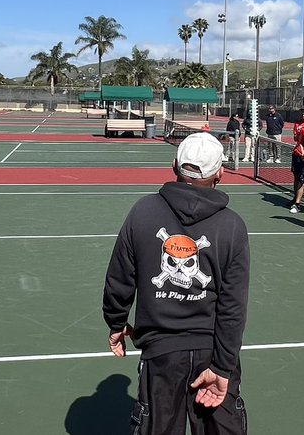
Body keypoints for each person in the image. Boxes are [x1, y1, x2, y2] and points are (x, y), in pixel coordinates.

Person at [102, 132, 250, 433]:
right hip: (214, 353)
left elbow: (119, 279)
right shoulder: (232, 225)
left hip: (161, 355)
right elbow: (233, 306)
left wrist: (116, 323)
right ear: (220, 172)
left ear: (174, 166)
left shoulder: (143, 211)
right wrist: (222, 367)